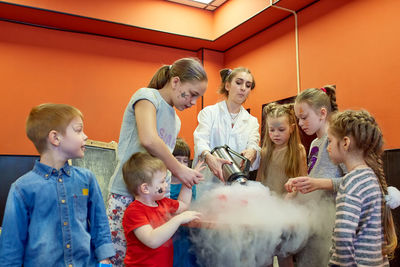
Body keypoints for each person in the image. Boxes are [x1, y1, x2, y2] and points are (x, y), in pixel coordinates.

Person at [107, 57, 207, 265]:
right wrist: (180, 169)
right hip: (127, 194)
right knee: (120, 257)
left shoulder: (175, 119)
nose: (193, 102)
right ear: (176, 81)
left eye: (198, 97)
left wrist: (184, 178)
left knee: (151, 255)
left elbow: (163, 158)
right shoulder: (147, 97)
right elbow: (149, 138)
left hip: (156, 198)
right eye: (192, 94)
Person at [0, 103, 115, 266]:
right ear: (55, 138)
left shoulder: (87, 179)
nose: (85, 136)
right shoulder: (22, 188)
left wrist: (104, 259)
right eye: (78, 130)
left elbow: (100, 223)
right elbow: (11, 245)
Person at [327, 110, 397, 266]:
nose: (328, 147)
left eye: (330, 141)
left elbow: (343, 236)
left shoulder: (351, 183)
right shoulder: (371, 177)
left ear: (345, 143)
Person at [284, 85, 344, 267]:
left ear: (322, 113)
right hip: (316, 218)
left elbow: (353, 181)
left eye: (304, 117)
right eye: (298, 119)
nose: (300, 124)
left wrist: (317, 183)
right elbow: (315, 178)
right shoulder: (315, 143)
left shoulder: (337, 140)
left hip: (334, 219)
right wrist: (299, 186)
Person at [122, 152, 202, 267]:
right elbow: (152, 240)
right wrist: (178, 219)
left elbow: (183, 204)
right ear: (145, 188)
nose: (166, 185)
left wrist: (189, 181)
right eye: (162, 181)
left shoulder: (163, 202)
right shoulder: (134, 211)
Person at [256, 102, 307, 267]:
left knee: (285, 254)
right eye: (271, 130)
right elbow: (259, 180)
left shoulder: (298, 150)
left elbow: (302, 180)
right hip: (267, 210)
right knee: (265, 253)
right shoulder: (265, 152)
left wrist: (290, 195)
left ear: (292, 128)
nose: (276, 134)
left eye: (281, 130)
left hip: (287, 211)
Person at [193, 67, 260, 184]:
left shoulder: (251, 121)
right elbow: (200, 140)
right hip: (207, 181)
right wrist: (208, 157)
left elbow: (253, 144)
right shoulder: (209, 113)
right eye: (238, 83)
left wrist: (253, 151)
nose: (243, 88)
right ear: (227, 86)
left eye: (248, 85)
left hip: (235, 183)